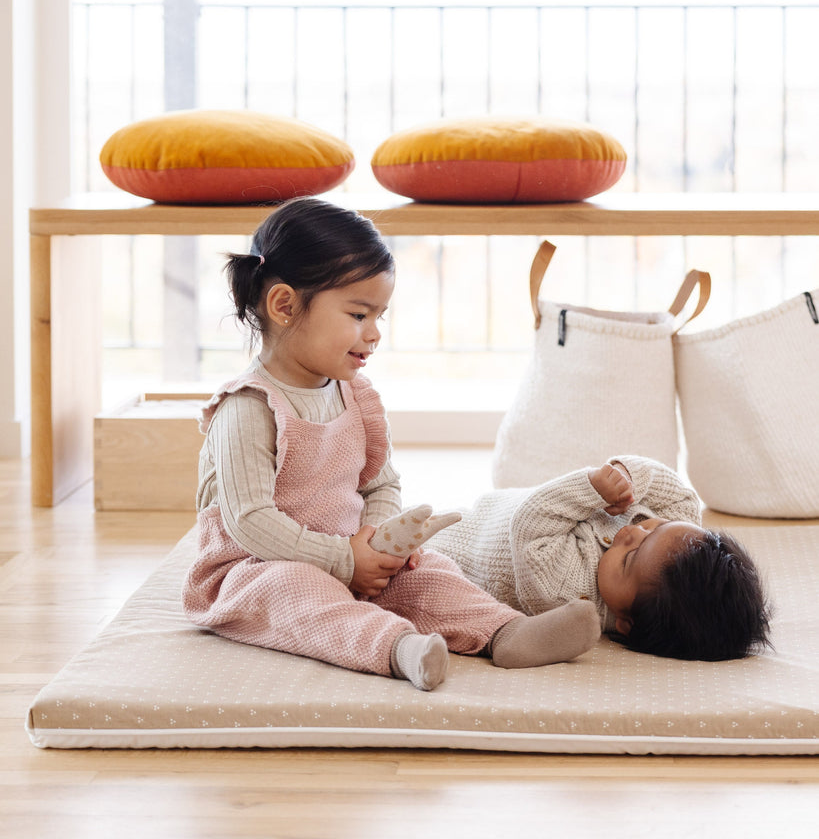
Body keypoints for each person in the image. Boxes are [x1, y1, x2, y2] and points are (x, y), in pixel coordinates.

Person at [182, 197, 600, 691]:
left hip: (352, 558)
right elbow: (250, 522)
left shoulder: (356, 396)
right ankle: (400, 649)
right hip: (256, 568)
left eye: (380, 315)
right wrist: (342, 561)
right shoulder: (248, 408)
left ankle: (505, 632)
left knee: (432, 571)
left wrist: (381, 543)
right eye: (359, 314)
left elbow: (380, 482)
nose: (375, 333)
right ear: (285, 305)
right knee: (298, 589)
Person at [426, 456, 772, 661]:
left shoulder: (567, 590)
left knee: (409, 572)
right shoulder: (675, 542)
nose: (631, 532)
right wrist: (625, 473)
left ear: (626, 622)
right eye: (652, 526)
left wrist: (590, 486)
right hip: (485, 512)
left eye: (628, 558)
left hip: (458, 548)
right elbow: (678, 492)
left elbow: (530, 523)